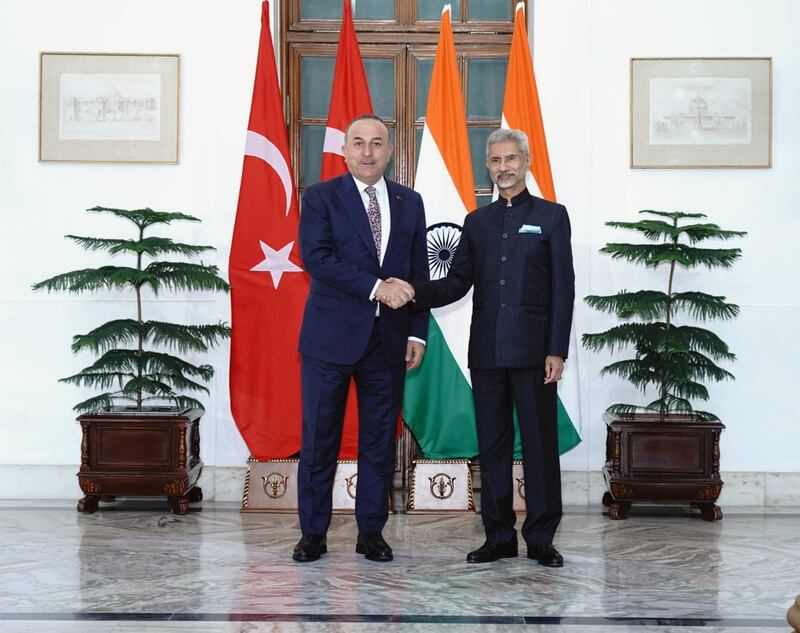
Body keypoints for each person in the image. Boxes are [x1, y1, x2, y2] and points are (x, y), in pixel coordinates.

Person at [385, 128, 574, 567]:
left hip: (535, 354)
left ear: (526, 162)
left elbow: (563, 289)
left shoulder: (552, 216)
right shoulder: (477, 222)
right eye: (495, 160)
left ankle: (542, 537)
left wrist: (556, 350)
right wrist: (412, 290)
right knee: (491, 446)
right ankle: (499, 537)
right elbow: (456, 283)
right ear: (487, 167)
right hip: (487, 353)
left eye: (511, 159)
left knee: (540, 446)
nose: (503, 167)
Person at [293, 114, 429, 563]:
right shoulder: (320, 197)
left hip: (388, 341)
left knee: (378, 442)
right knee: (319, 440)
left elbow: (417, 273)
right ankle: (313, 532)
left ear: (390, 151)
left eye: (376, 143)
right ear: (345, 150)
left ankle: (371, 531)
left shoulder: (410, 201)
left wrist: (417, 331)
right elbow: (316, 258)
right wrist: (376, 288)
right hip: (329, 340)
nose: (367, 152)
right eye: (358, 143)